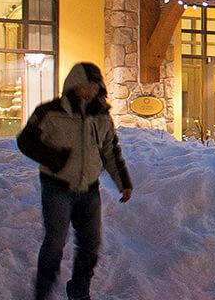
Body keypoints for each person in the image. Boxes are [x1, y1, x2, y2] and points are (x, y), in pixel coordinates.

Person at [17, 61, 133, 300]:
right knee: (55, 243)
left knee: (91, 245)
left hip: (89, 191)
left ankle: (79, 291)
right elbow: (26, 141)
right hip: (57, 188)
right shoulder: (50, 112)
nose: (91, 90)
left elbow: (110, 151)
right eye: (87, 85)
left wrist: (123, 182)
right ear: (74, 84)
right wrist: (54, 159)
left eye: (95, 86)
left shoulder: (101, 116)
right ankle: (43, 292)